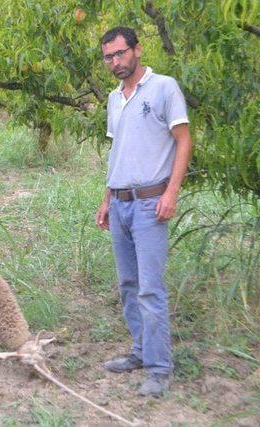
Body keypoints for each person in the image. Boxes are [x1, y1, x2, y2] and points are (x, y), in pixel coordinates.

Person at [95, 27, 192, 397]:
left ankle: (159, 367)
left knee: (151, 289)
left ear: (137, 50)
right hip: (120, 202)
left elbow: (184, 141)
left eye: (120, 54)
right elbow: (117, 153)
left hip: (152, 202)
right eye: (108, 57)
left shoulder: (164, 88)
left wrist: (171, 192)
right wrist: (106, 199)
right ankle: (140, 351)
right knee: (128, 285)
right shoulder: (113, 98)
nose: (115, 62)